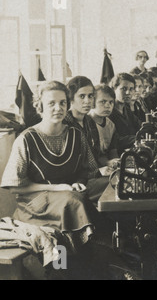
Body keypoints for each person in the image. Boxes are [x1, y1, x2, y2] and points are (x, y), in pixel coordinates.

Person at [0, 81, 101, 256]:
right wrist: (57, 188)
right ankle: (78, 261)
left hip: (70, 194)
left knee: (109, 187)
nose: (58, 108)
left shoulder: (76, 135)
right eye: (51, 103)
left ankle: (115, 251)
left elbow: (88, 170)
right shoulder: (26, 140)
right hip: (36, 204)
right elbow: (15, 186)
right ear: (40, 107)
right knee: (72, 200)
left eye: (62, 103)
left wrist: (78, 182)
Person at [64, 76, 101, 164]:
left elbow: (96, 154)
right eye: (82, 96)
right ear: (71, 98)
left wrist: (108, 163)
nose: (87, 101)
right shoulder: (64, 123)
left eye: (90, 96)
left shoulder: (89, 121)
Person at [88, 85, 120, 172]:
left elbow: (113, 150)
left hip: (107, 166)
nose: (107, 106)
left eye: (111, 102)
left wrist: (116, 161)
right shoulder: (86, 123)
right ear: (92, 102)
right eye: (103, 101)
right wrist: (107, 162)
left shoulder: (111, 125)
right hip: (93, 169)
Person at [108, 73, 141, 155]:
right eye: (124, 89)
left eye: (131, 89)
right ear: (113, 89)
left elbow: (140, 126)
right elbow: (114, 141)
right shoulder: (108, 113)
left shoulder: (126, 110)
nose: (128, 92)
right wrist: (137, 138)